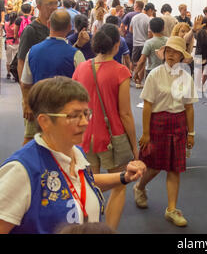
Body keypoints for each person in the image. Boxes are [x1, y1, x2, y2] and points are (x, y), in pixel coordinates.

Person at [0, 76, 146, 234]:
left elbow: (81, 181)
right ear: (44, 121)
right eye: (74, 115)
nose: (84, 122)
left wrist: (123, 177)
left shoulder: (75, 151)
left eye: (86, 113)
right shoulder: (21, 170)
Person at [72, 24, 138, 229]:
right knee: (119, 184)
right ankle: (108, 231)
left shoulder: (81, 67)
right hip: (112, 138)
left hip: (84, 136)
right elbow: (125, 113)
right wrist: (134, 145)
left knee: (88, 187)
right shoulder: (121, 72)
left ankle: (87, 229)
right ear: (117, 45)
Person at [134, 36, 198, 227]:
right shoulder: (154, 74)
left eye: (175, 52)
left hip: (178, 124)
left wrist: (191, 133)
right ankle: (140, 186)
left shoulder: (186, 77)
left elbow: (189, 108)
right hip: (157, 123)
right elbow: (147, 106)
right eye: (168, 51)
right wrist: (145, 133)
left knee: (174, 168)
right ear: (163, 54)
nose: (171, 55)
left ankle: (171, 209)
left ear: (181, 56)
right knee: (153, 166)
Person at [17, 0, 58, 145]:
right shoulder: (31, 31)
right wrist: (26, 100)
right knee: (31, 138)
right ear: (39, 6)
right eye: (50, 4)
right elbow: (21, 63)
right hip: (34, 95)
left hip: (53, 95)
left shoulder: (56, 28)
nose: (54, 7)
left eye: (55, 3)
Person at [134, 17, 168, 85]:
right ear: (163, 28)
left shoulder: (149, 43)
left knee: (151, 93)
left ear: (150, 29)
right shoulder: (169, 40)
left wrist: (136, 72)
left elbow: (142, 60)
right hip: (166, 71)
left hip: (152, 71)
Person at [130, 2, 155, 88]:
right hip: (145, 43)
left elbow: (130, 30)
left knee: (134, 62)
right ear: (150, 10)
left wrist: (137, 34)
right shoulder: (148, 19)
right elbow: (150, 34)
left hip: (135, 43)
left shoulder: (134, 17)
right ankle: (139, 82)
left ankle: (131, 76)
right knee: (143, 63)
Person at [4, 12, 18, 81]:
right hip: (16, 42)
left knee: (8, 60)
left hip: (8, 42)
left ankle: (8, 73)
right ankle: (15, 74)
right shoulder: (16, 25)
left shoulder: (6, 24)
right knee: (15, 60)